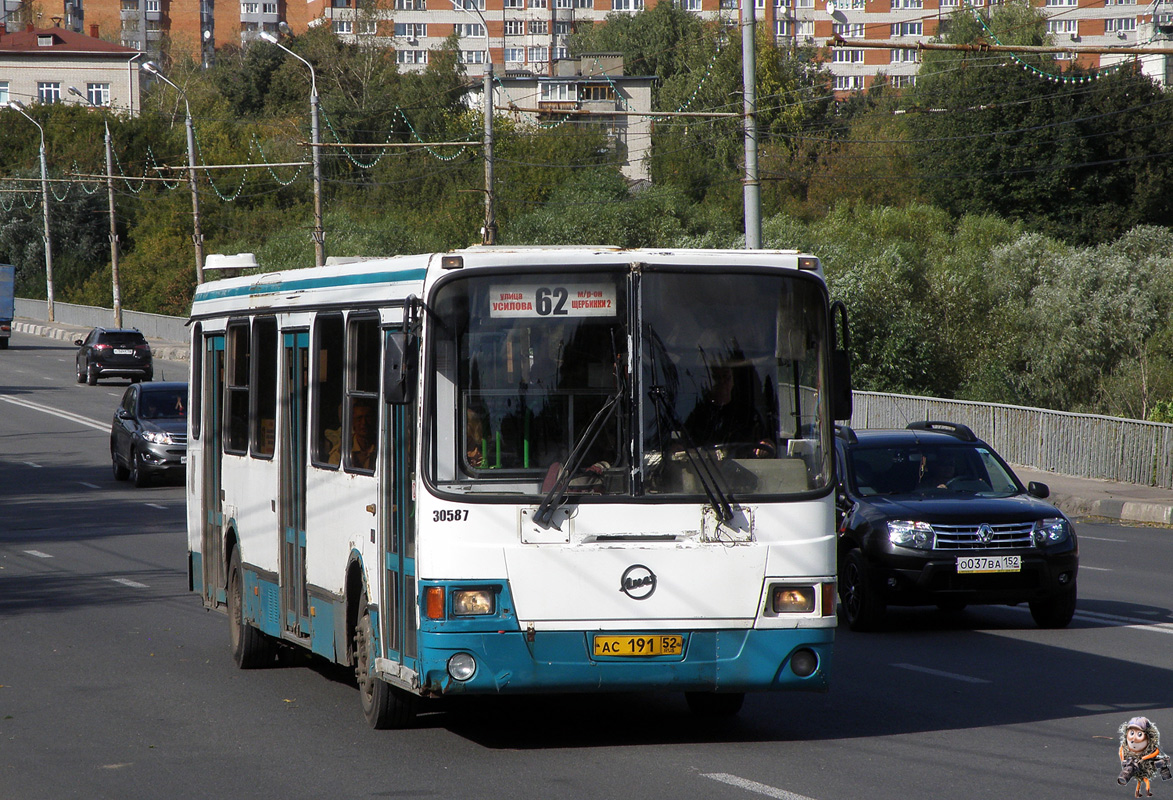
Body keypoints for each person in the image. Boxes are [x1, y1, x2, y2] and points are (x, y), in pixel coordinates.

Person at [349, 400, 377, 471]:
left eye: (368, 417)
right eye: (359, 418)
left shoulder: (385, 447)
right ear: (353, 422)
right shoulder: (340, 452)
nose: (364, 423)